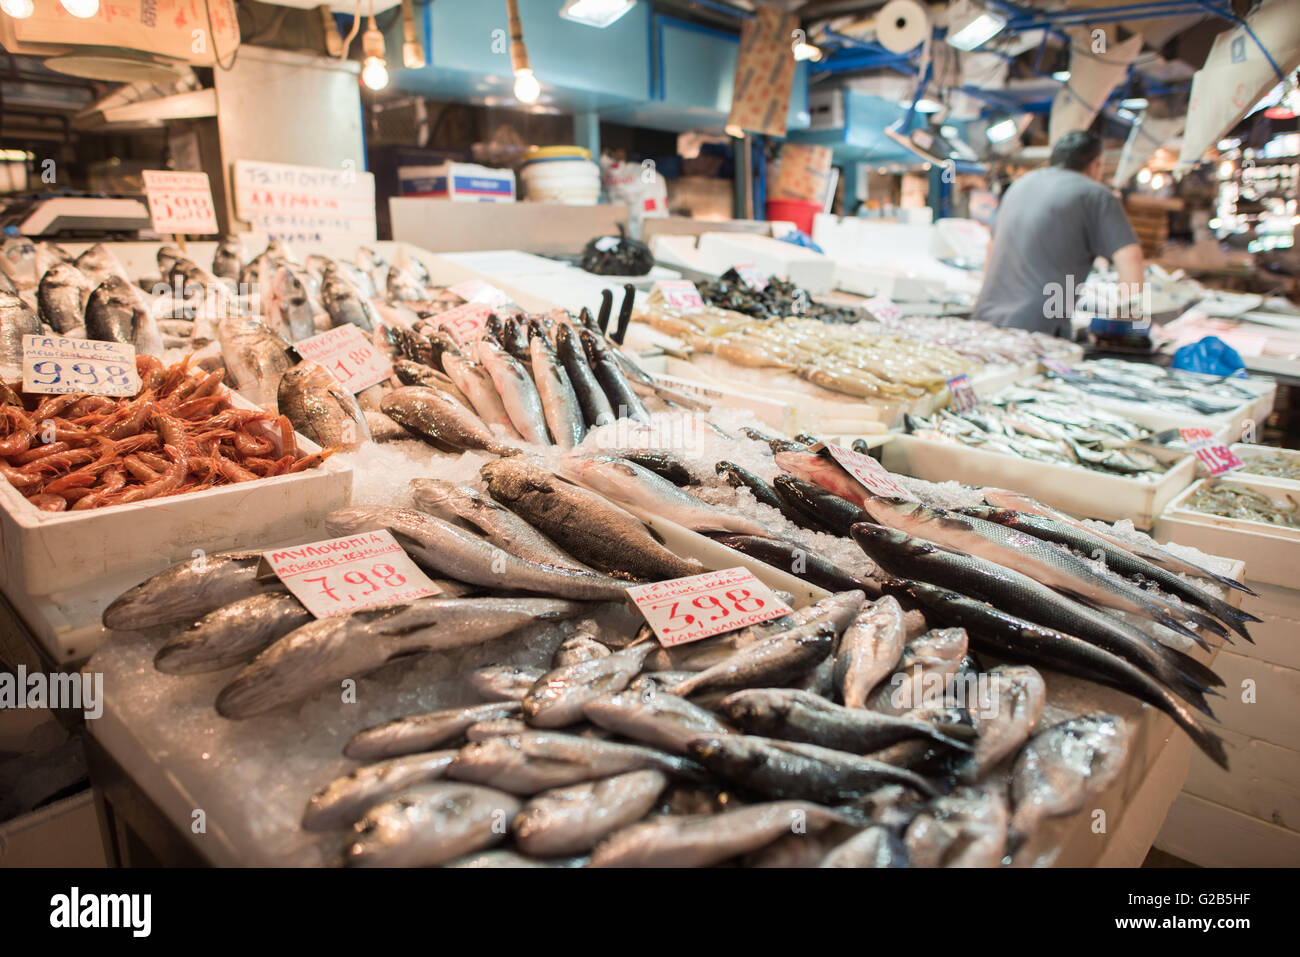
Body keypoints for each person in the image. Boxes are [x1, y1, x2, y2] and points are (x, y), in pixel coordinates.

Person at [972, 129, 1144, 338]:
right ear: (1095, 165)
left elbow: (991, 247)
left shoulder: (1020, 185)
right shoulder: (1095, 195)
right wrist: (1129, 320)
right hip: (1038, 328)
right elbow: (1129, 256)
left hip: (985, 318)